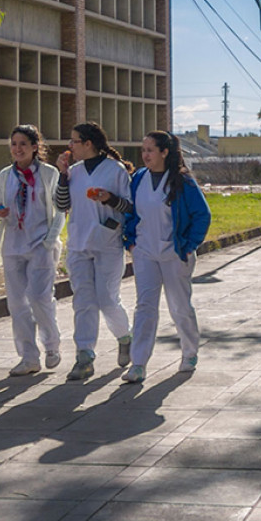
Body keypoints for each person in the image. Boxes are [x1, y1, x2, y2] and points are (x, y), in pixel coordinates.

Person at [120, 132, 211, 383]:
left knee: (179, 306)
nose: (145, 155)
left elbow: (202, 215)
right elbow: (130, 211)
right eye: (143, 150)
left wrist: (188, 246)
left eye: (150, 150)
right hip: (145, 252)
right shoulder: (138, 178)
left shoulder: (182, 182)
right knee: (145, 307)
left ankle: (189, 352)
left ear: (165, 152)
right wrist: (131, 242)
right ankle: (138, 363)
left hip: (175, 254)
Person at [55, 122, 133, 380]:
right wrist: (63, 176)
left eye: (74, 141)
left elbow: (130, 207)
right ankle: (84, 356)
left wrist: (108, 198)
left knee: (107, 299)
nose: (70, 146)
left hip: (107, 243)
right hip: (79, 243)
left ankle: (125, 337)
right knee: (83, 302)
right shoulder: (73, 172)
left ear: (88, 144)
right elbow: (61, 204)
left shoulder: (115, 170)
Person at [0, 125, 65, 377]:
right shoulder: (4, 175)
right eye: (13, 144)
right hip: (13, 245)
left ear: (35, 147)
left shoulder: (48, 173)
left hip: (40, 244)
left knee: (39, 297)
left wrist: (49, 240)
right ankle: (28, 356)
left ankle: (52, 345)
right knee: (17, 303)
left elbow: (60, 210)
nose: (17, 149)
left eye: (23, 143)